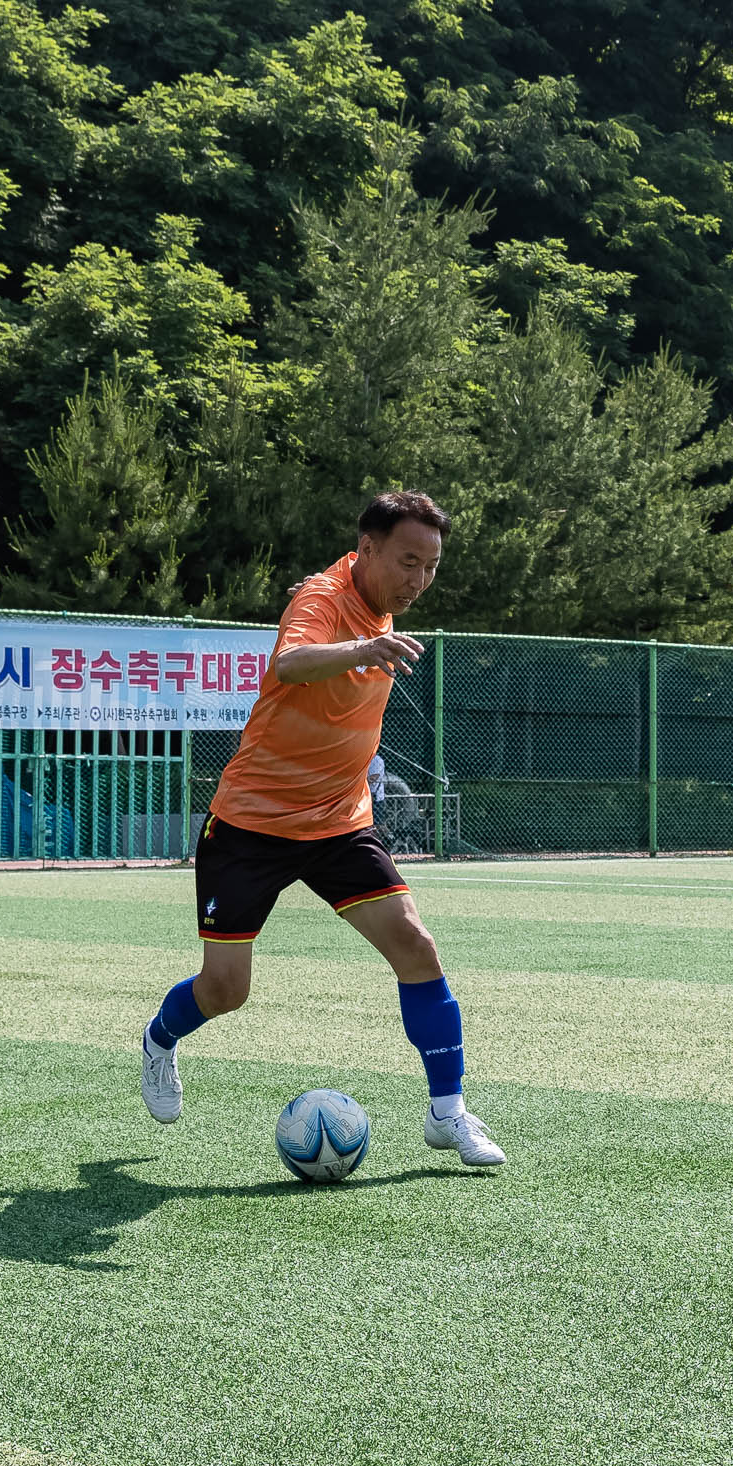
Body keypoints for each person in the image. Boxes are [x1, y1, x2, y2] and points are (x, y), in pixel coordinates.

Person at [138, 491, 504, 1168]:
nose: (418, 579)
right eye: (407, 561)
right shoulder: (321, 599)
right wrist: (365, 646)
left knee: (417, 947)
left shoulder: (383, 603)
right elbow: (291, 663)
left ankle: (447, 1113)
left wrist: (374, 638)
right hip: (252, 823)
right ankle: (159, 1040)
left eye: (429, 565)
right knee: (226, 989)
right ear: (365, 548)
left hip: (339, 820)